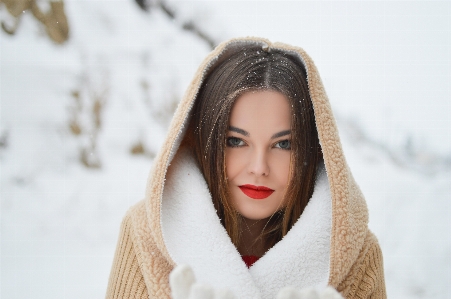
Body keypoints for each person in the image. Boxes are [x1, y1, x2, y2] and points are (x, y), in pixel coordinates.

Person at [105, 37, 386, 299]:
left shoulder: (357, 256)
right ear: (206, 141)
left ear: (313, 151)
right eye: (236, 141)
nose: (258, 167)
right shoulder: (147, 234)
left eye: (284, 145)